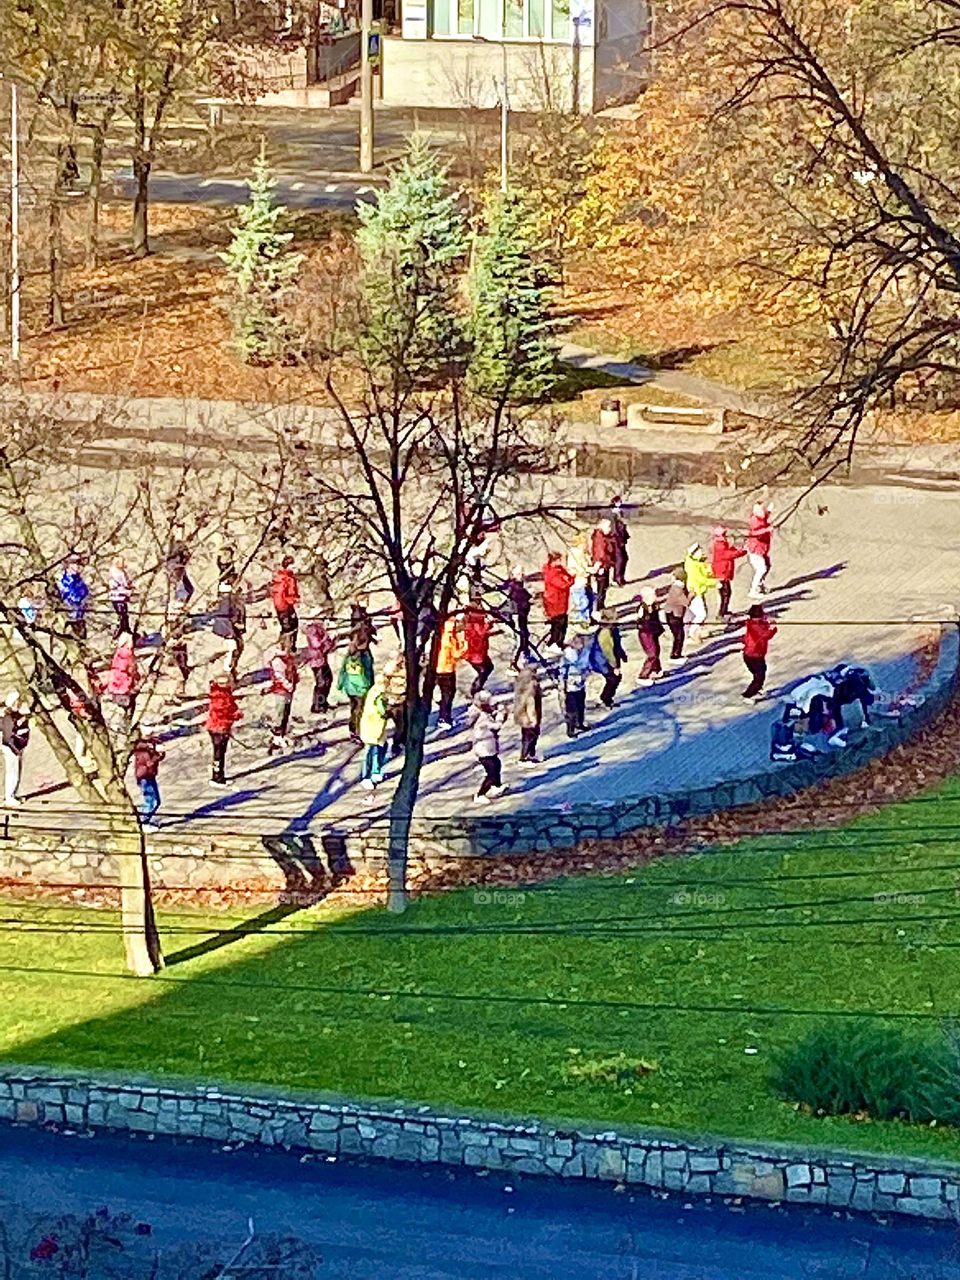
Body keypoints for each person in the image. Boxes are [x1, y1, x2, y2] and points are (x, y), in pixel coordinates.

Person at [470, 691, 506, 805]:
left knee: (497, 764)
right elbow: (496, 726)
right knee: (491, 771)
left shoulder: (484, 714)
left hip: (489, 748)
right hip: (484, 750)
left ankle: (496, 786)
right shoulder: (483, 718)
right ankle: (480, 794)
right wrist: (501, 715)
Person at [206, 675, 242, 787]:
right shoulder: (220, 697)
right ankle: (216, 777)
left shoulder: (224, 695)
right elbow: (222, 713)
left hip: (221, 727)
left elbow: (231, 708)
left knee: (221, 752)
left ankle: (220, 775)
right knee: (218, 753)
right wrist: (234, 716)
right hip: (218, 728)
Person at [337, 636, 374, 740]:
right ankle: (358, 732)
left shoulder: (348, 656)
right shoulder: (365, 656)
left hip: (349, 687)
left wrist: (340, 684)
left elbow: (343, 671)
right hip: (361, 688)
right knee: (360, 710)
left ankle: (352, 729)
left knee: (353, 709)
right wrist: (371, 685)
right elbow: (368, 672)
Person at [434, 615, 467, 729]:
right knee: (448, 695)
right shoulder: (450, 639)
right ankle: (444, 718)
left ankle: (444, 716)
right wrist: (464, 645)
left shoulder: (439, 636)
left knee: (445, 694)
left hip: (438, 668)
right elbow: (456, 654)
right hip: (447, 670)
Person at [266, 641, 299, 754]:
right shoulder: (278, 661)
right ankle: (277, 739)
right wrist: (288, 685)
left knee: (286, 712)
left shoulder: (287, 658)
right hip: (281, 690)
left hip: (288, 690)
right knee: (280, 713)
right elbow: (279, 676)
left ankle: (283, 734)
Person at [212, 577, 246, 678]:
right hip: (228, 632)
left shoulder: (225, 601)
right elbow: (230, 616)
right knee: (233, 650)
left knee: (237, 647)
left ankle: (231, 670)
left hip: (229, 630)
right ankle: (229, 672)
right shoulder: (227, 603)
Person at [683, 543, 717, 646]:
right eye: (700, 551)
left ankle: (693, 631)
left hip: (698, 591)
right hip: (695, 592)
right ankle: (692, 633)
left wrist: (709, 571)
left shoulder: (697, 562)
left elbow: (704, 574)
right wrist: (715, 582)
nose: (702, 553)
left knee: (697, 613)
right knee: (701, 614)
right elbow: (701, 579)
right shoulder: (693, 566)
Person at [710, 525, 746, 620]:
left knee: (726, 594)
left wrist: (735, 548)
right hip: (722, 573)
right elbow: (729, 555)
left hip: (722, 572)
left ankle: (724, 611)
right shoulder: (720, 545)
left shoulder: (720, 543)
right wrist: (742, 551)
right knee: (726, 594)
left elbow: (729, 552)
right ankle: (721, 613)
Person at [358, 678, 390, 789]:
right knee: (371, 751)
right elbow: (382, 711)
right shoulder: (379, 696)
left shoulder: (373, 692)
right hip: (373, 728)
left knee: (378, 749)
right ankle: (366, 777)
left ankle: (375, 772)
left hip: (374, 727)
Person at [559, 634, 592, 738]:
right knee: (571, 709)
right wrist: (562, 682)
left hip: (581, 682)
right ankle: (570, 729)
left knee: (581, 705)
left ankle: (580, 723)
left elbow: (588, 665)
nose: (580, 645)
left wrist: (587, 672)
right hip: (570, 685)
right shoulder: (568, 655)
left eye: (581, 643)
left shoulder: (585, 653)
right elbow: (562, 670)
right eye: (578, 643)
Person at [742, 603, 777, 699]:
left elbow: (763, 628)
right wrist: (773, 628)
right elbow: (766, 634)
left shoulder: (754, 624)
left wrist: (768, 623)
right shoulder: (756, 626)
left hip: (752, 655)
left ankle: (756, 690)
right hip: (754, 655)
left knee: (760, 672)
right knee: (759, 676)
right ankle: (748, 695)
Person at [0, 692, 29, 809]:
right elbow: (7, 737)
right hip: (12, 748)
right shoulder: (8, 717)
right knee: (12, 772)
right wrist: (16, 750)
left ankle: (13, 794)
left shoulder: (12, 715)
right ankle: (9, 797)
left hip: (15, 747)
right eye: (18, 702)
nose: (20, 704)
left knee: (16, 771)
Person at [513, 655, 542, 766]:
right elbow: (531, 701)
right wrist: (533, 718)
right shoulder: (531, 682)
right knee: (531, 735)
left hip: (521, 714)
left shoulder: (521, 678)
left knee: (526, 735)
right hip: (529, 716)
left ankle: (529, 754)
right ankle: (525, 757)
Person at [542, 551, 574, 651]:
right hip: (556, 603)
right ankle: (557, 644)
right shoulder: (553, 573)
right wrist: (572, 578)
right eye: (559, 560)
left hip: (559, 602)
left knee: (557, 624)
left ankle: (554, 642)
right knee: (560, 625)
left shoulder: (557, 570)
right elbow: (564, 584)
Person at [595, 607, 627, 708]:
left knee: (614, 678)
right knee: (613, 679)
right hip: (604, 660)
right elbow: (607, 650)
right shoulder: (605, 633)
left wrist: (622, 654)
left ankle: (607, 698)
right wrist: (615, 665)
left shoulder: (613, 630)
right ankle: (605, 699)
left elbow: (617, 644)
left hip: (611, 659)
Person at [132, 733, 164, 831]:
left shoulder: (149, 747)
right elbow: (149, 762)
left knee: (157, 801)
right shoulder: (142, 751)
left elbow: (155, 759)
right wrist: (157, 754)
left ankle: (146, 820)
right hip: (144, 777)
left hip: (150, 775)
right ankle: (143, 822)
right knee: (151, 801)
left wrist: (160, 754)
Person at [304, 615, 335, 715]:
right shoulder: (312, 631)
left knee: (328, 679)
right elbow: (316, 644)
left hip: (323, 659)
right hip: (317, 662)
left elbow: (328, 646)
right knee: (321, 683)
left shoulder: (320, 629)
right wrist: (326, 637)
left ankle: (323, 702)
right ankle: (318, 705)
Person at [501, 566, 532, 667]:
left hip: (521, 613)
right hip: (518, 613)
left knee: (524, 633)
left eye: (522, 574)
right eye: (519, 574)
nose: (521, 576)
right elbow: (520, 598)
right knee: (521, 635)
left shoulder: (515, 585)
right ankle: (517, 660)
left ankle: (524, 652)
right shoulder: (515, 587)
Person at [464, 595, 494, 696]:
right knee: (484, 670)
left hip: (478, 652)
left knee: (487, 668)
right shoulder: (475, 621)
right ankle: (476, 690)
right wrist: (489, 624)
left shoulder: (471, 618)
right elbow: (480, 632)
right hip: (477, 653)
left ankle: (477, 688)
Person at [105, 632, 139, 722]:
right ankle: (128, 717)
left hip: (117, 685)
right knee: (129, 703)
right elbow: (130, 670)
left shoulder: (118, 653)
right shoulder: (127, 653)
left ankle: (126, 717)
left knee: (124, 704)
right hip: (123, 686)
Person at [636, 587, 665, 685]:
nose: (656, 597)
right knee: (652, 654)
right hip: (646, 633)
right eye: (653, 595)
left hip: (653, 632)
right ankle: (643, 675)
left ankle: (656, 669)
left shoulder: (655, 606)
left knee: (656, 649)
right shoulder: (642, 608)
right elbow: (640, 620)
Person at [271, 555, 300, 648]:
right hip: (284, 605)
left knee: (289, 625)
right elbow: (288, 594)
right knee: (291, 626)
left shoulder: (280, 576)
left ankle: (287, 646)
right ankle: (288, 647)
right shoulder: (288, 578)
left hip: (280, 605)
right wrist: (295, 600)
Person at [381, 652, 408, 755]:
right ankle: (396, 745)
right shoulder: (396, 671)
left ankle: (399, 743)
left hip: (396, 700)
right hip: (395, 701)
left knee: (401, 725)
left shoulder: (403, 671)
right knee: (401, 725)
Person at [746, 501, 774, 598]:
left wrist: (769, 511)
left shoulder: (761, 518)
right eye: (761, 510)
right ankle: (753, 590)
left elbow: (764, 517)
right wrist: (766, 530)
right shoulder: (754, 520)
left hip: (762, 549)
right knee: (761, 569)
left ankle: (760, 585)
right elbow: (755, 533)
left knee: (767, 566)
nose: (763, 512)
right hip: (755, 550)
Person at [58, 558, 90, 641]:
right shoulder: (66, 579)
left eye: (78, 565)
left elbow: (84, 588)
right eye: (75, 565)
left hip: (81, 607)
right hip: (72, 607)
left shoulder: (77, 578)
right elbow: (66, 592)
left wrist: (84, 595)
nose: (77, 567)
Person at [567, 534, 595, 627]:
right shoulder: (576, 555)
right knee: (583, 602)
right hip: (578, 583)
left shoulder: (584, 553)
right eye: (585, 543)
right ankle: (582, 620)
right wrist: (589, 570)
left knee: (590, 600)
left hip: (585, 582)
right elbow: (575, 569)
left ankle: (587, 618)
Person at [662, 575, 690, 666]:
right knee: (679, 636)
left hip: (671, 614)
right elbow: (686, 602)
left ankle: (676, 654)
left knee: (678, 635)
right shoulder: (679, 589)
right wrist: (691, 595)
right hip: (674, 615)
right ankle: (675, 655)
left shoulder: (674, 587)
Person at [590, 518, 617, 609]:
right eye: (608, 527)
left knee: (604, 586)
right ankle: (599, 606)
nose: (610, 529)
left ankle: (601, 605)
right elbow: (599, 552)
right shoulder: (599, 538)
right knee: (601, 587)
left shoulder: (604, 536)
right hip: (602, 565)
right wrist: (599, 564)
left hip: (605, 564)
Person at [108, 556, 134, 638]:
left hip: (123, 597)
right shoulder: (114, 573)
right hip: (117, 597)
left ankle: (126, 630)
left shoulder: (122, 572)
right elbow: (116, 586)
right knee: (121, 615)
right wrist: (125, 591)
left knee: (125, 614)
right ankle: (120, 631)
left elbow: (125, 584)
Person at [610, 497, 630, 588]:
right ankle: (617, 578)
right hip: (616, 541)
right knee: (620, 559)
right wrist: (619, 539)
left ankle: (620, 577)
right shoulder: (613, 514)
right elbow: (614, 529)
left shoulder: (619, 512)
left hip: (621, 540)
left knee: (624, 558)